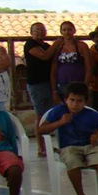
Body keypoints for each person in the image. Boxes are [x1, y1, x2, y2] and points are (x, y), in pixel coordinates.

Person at [38, 82, 98, 195]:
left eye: (79, 101)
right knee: (72, 162)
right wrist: (60, 123)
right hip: (69, 147)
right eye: (72, 100)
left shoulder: (90, 114)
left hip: (91, 146)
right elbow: (41, 129)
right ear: (66, 100)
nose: (75, 104)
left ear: (85, 102)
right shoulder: (59, 111)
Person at [25, 22, 62, 157]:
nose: (40, 32)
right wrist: (56, 44)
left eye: (42, 29)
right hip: (37, 83)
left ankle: (47, 145)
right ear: (31, 32)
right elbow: (45, 56)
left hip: (49, 82)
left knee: (49, 114)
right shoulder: (30, 44)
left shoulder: (46, 45)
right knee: (41, 115)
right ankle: (41, 147)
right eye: (36, 30)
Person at [51, 21, 92, 102]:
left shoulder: (82, 46)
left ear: (74, 31)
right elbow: (54, 69)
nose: (67, 32)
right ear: (61, 32)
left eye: (69, 29)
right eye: (64, 30)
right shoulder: (58, 47)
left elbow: (89, 67)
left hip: (79, 83)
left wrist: (85, 85)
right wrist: (54, 91)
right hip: (62, 84)